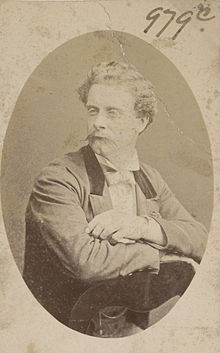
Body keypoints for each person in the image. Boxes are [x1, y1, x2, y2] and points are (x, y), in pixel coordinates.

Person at [23, 61, 208, 337]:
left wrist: (141, 227)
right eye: (93, 110)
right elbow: (85, 262)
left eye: (112, 113)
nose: (98, 122)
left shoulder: (149, 179)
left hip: (129, 329)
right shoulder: (57, 179)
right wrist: (161, 253)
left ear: (141, 122)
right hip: (60, 332)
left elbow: (201, 239)